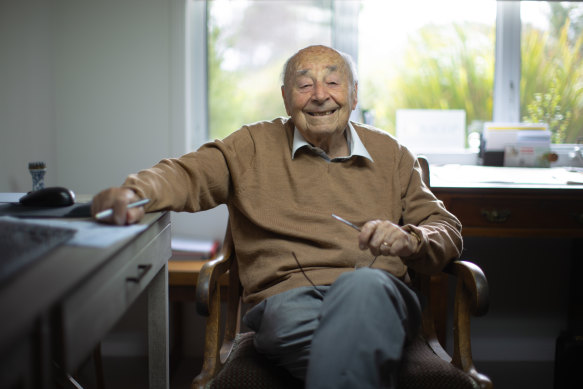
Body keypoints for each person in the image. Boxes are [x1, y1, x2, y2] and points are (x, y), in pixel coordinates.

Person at [92, 45, 462, 388]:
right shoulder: (251, 146)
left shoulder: (392, 153)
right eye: (304, 85)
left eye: (333, 82)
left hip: (378, 295)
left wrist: (410, 239)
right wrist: (134, 192)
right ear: (286, 97)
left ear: (354, 94)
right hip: (288, 303)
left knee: (361, 288)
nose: (320, 95)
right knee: (303, 325)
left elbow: (445, 229)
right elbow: (188, 174)